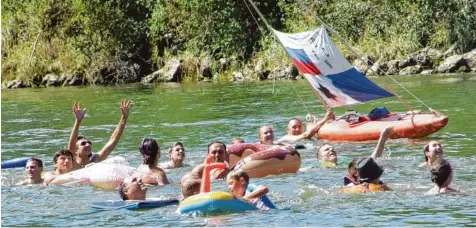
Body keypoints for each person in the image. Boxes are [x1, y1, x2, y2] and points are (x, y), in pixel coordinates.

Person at [67, 99, 132, 169]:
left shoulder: (96, 160)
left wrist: (124, 118)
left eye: (89, 142)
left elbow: (113, 140)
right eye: (83, 143)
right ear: (76, 150)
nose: (88, 144)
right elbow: (71, 148)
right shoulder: (72, 164)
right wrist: (78, 121)